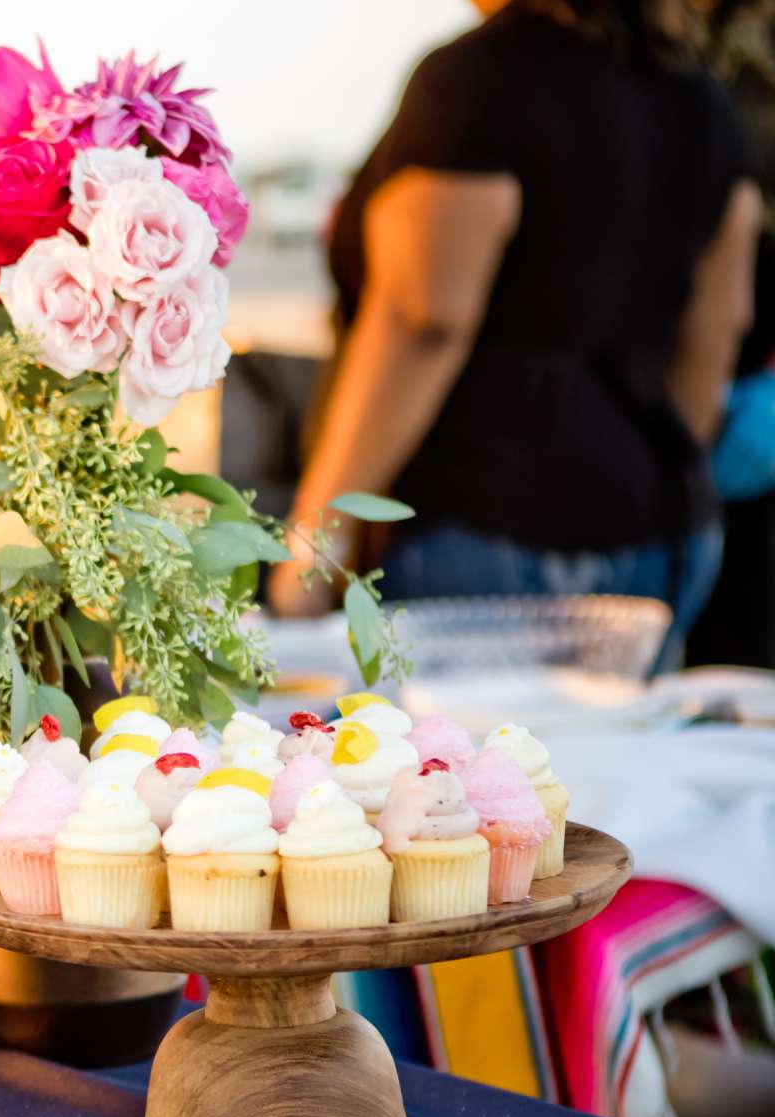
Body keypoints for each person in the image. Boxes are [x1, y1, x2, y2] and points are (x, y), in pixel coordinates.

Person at [272, 0, 760, 659]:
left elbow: (424, 322)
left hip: (483, 538)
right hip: (662, 537)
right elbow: (718, 333)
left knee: (453, 762)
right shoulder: (702, 102)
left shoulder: (476, 80)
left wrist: (316, 543)